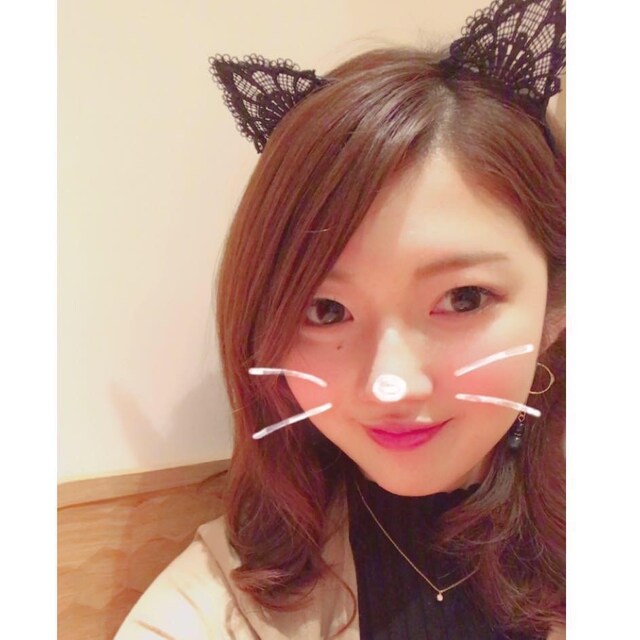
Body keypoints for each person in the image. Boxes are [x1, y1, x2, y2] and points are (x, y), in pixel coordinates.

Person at [116, 0, 566, 638]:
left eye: (464, 298)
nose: (390, 384)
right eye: (326, 310)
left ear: (556, 306)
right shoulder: (218, 603)